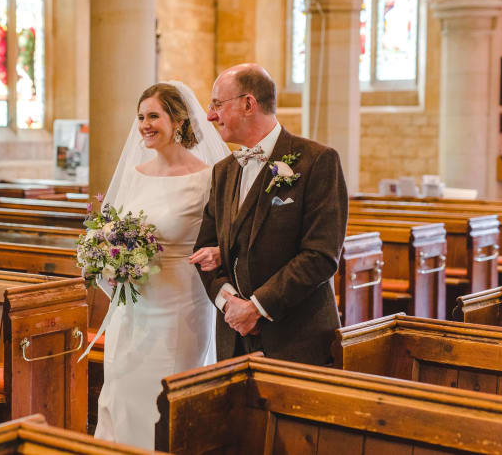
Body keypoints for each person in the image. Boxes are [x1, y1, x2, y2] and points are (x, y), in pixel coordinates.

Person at [94, 81, 229, 449]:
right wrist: (107, 259)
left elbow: (225, 238)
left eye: (154, 115)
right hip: (133, 304)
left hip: (180, 303)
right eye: (140, 117)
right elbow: (112, 231)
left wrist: (217, 252)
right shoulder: (135, 174)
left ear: (179, 120)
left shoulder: (209, 177)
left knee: (165, 395)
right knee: (121, 388)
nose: (144, 124)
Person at [190, 63, 348, 365]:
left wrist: (257, 307)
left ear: (248, 104)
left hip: (296, 339)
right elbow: (203, 249)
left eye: (217, 105)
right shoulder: (223, 172)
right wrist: (227, 303)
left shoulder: (317, 161)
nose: (211, 116)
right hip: (233, 339)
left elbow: (321, 255)